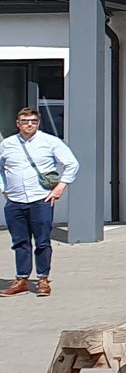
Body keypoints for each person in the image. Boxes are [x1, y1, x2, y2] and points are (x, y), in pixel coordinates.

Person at [0, 108, 78, 298]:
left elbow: (72, 164)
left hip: (40, 199)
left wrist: (60, 187)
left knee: (42, 241)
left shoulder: (50, 142)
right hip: (15, 200)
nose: (29, 124)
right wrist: (4, 188)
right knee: (20, 242)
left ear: (38, 123)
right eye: (25, 121)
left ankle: (43, 279)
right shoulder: (7, 144)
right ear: (18, 123)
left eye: (33, 121)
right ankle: (22, 280)